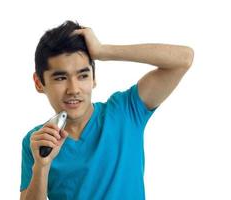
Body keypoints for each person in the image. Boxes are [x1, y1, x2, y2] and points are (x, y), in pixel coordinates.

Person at [19, 20, 194, 200]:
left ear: (94, 78)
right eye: (61, 78)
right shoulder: (37, 143)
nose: (73, 89)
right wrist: (41, 166)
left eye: (83, 75)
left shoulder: (125, 111)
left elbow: (183, 59)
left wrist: (103, 51)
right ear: (39, 82)